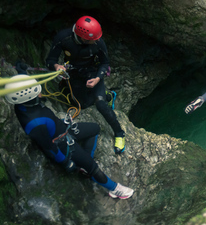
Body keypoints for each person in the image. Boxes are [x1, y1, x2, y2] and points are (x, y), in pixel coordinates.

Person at [3, 75, 134, 199]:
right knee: (93, 168)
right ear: (29, 96)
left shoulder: (23, 105)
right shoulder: (35, 124)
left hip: (65, 129)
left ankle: (85, 161)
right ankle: (115, 189)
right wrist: (66, 162)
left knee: (95, 128)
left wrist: (22, 72)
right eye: (37, 91)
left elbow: (24, 92)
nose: (40, 92)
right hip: (63, 144)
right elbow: (49, 148)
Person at [45, 16, 126, 154]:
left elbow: (104, 63)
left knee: (100, 104)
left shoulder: (98, 42)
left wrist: (97, 78)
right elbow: (50, 60)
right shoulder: (63, 38)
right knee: (82, 105)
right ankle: (108, 96)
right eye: (93, 39)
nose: (97, 40)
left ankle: (119, 133)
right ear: (82, 37)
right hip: (74, 74)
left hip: (92, 73)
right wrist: (56, 66)